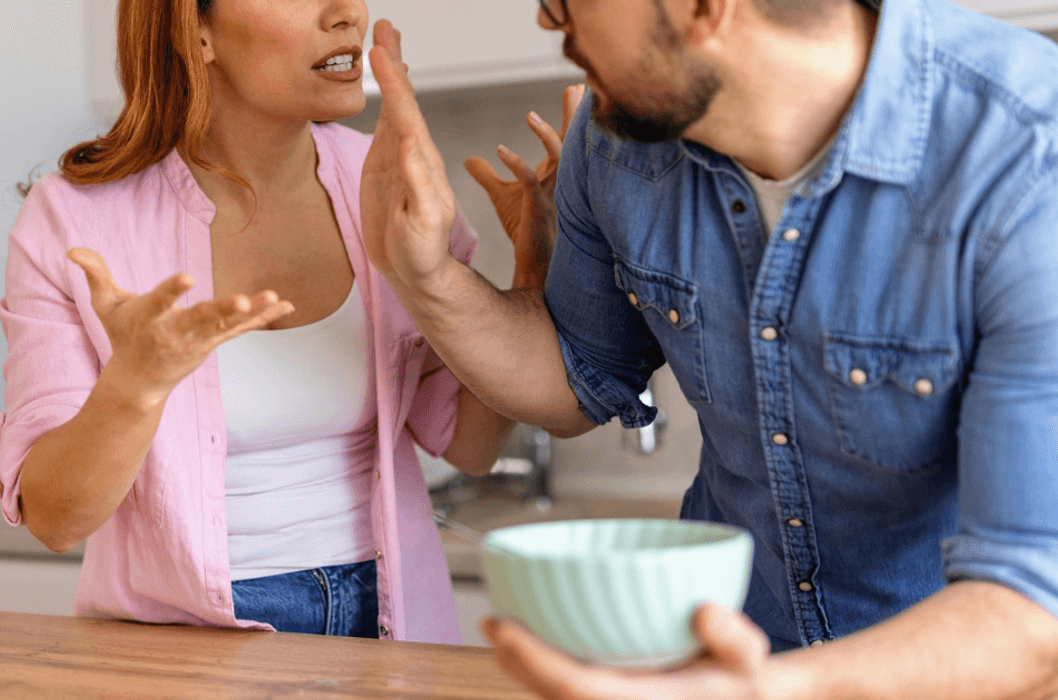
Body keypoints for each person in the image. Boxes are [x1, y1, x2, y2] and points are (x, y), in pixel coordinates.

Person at [361, 0, 1058, 694]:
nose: (549, 22)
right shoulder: (618, 141)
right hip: (728, 650)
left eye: (566, 1)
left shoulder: (1024, 152)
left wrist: (756, 690)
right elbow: (574, 380)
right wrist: (423, 275)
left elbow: (1034, 602)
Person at [0, 0, 550, 643]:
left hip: (395, 619)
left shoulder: (388, 178)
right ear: (196, 30)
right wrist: (134, 387)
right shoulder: (73, 219)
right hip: (189, 644)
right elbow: (55, 518)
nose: (350, 13)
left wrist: (537, 272)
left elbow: (469, 445)